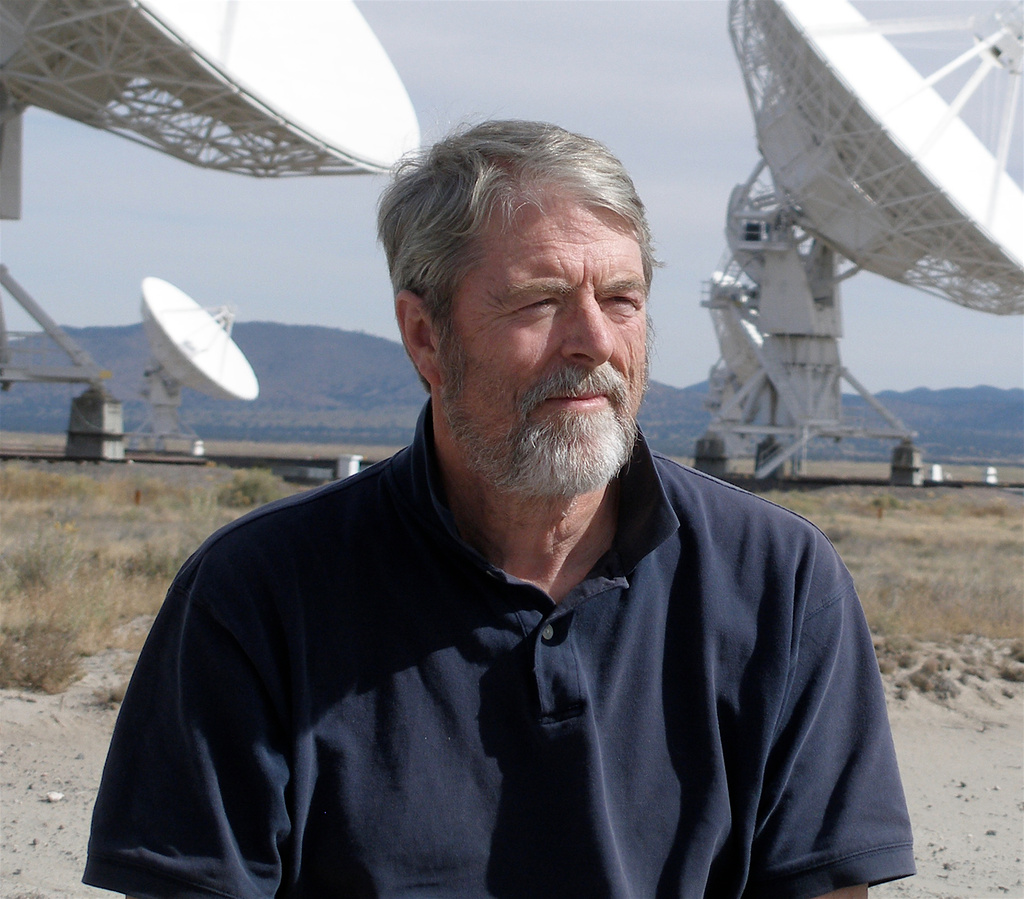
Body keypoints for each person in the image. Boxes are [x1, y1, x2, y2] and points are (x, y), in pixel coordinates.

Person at [84, 120, 914, 898]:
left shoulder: (779, 581)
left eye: (622, 299)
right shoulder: (255, 596)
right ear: (424, 335)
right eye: (539, 300)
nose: (592, 339)